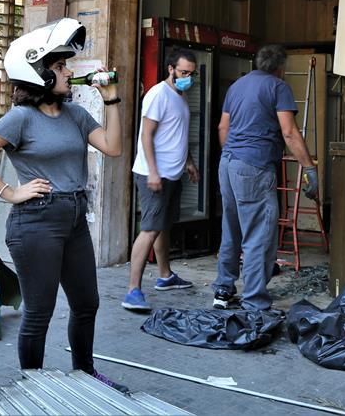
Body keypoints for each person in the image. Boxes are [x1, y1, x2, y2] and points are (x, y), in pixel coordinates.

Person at [0, 18, 128, 393]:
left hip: (74, 218)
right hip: (36, 222)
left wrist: (111, 98)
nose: (68, 72)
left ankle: (85, 374)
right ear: (40, 74)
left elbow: (113, 147)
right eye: (60, 66)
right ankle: (32, 388)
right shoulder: (21, 118)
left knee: (87, 303)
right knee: (39, 312)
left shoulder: (76, 115)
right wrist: (10, 192)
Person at [212, 44, 318, 311]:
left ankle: (223, 290)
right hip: (254, 166)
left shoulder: (237, 86)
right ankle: (254, 300)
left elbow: (223, 127)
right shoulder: (278, 87)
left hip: (228, 163)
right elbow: (289, 132)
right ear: (281, 67)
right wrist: (309, 168)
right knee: (259, 234)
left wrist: (234, 155)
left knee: (231, 228)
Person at [122, 49, 199, 312]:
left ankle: (165, 276)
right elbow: (147, 135)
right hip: (154, 174)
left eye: (191, 73)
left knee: (162, 225)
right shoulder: (158, 94)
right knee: (150, 228)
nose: (188, 77)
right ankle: (132, 291)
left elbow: (177, 134)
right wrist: (153, 172)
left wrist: (188, 161)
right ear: (170, 69)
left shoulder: (181, 96)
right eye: (183, 72)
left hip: (172, 173)